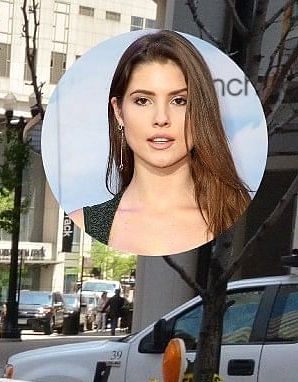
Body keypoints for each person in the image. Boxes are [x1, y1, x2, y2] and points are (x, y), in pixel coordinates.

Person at [69, 31, 253, 257]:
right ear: (119, 112)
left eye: (179, 101)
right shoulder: (85, 222)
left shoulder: (237, 213)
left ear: (201, 111)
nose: (161, 118)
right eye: (143, 101)